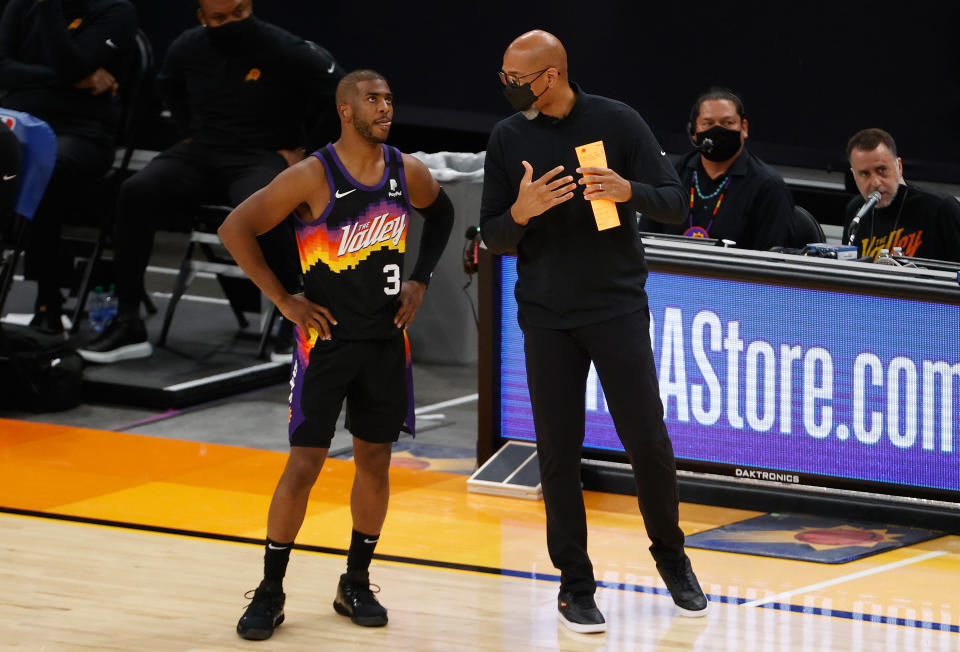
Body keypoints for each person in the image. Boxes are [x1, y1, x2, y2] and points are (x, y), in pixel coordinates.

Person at [480, 30, 709, 634]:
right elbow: (492, 236)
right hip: (547, 318)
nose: (506, 87)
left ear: (551, 75)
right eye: (504, 76)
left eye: (516, 78)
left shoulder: (618, 121)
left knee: (648, 444)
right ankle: (575, 587)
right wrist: (521, 213)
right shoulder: (507, 138)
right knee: (559, 454)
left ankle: (672, 558)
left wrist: (628, 189)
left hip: (615, 309)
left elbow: (676, 205)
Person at [219, 69, 453, 640]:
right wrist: (284, 301)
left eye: (390, 99)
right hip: (324, 344)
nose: (385, 108)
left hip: (383, 344)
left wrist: (420, 279)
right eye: (373, 99)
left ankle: (355, 581)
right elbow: (236, 229)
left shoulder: (407, 171)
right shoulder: (311, 174)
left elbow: (442, 214)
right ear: (346, 110)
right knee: (303, 465)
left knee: (375, 463)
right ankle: (271, 590)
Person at [77, 0, 343, 363]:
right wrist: (189, 132)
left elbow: (341, 95)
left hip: (259, 154)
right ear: (201, 18)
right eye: (219, 18)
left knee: (267, 204)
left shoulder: (284, 48)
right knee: (134, 191)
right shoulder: (188, 45)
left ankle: (296, 318)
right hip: (202, 151)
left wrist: (308, 154)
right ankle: (129, 322)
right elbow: (169, 89)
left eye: (239, 12)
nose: (232, 22)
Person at [0, 0, 137, 333]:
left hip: (81, 132)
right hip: (18, 124)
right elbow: (3, 69)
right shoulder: (21, 4)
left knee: (43, 167)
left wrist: (49, 9)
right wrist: (66, 79)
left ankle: (48, 303)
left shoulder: (115, 10)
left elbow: (71, 64)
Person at [638, 88, 795, 250]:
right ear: (693, 132)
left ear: (744, 128)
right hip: (669, 273)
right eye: (708, 124)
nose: (719, 131)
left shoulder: (768, 186)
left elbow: (772, 259)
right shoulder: (671, 174)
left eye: (728, 123)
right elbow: (643, 240)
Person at [843, 128, 960, 262]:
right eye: (865, 174)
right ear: (854, 175)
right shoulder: (857, 211)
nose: (875, 182)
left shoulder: (940, 208)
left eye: (882, 170)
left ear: (899, 166)